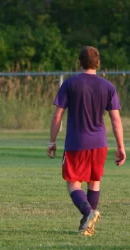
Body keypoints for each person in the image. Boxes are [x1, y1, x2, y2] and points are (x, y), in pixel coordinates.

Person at [47, 46, 126, 236]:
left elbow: (57, 116)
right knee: (94, 181)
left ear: (79, 62)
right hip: (100, 142)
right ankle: (87, 224)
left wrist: (51, 141)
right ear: (98, 63)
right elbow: (116, 120)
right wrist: (121, 147)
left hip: (77, 142)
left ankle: (89, 212)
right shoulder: (108, 86)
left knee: (73, 182)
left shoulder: (70, 84)